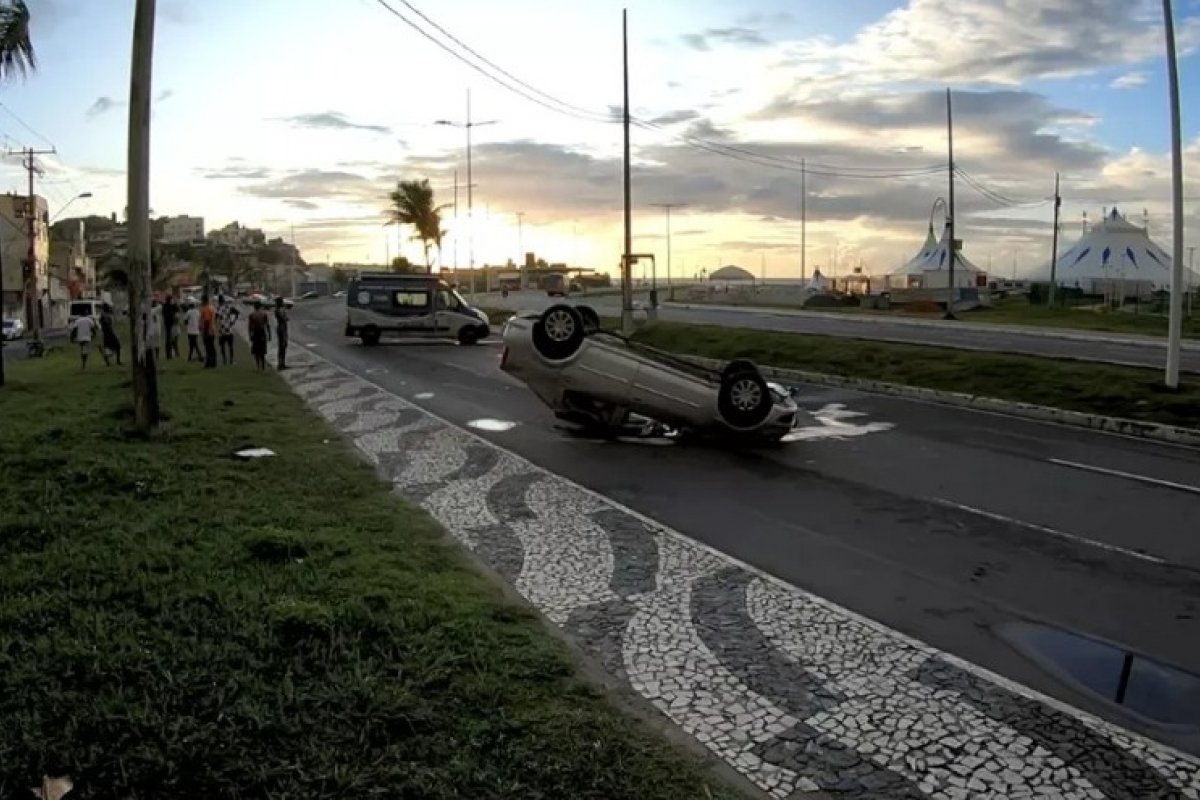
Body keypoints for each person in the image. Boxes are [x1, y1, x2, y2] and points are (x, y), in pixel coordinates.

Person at [247, 300, 271, 372]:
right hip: (262, 332)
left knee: (256, 351)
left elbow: (250, 327)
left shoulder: (252, 315)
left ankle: (258, 366)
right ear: (260, 307)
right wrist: (269, 334)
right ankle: (263, 367)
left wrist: (250, 335)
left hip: (255, 333)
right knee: (262, 351)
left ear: (254, 307)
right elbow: (267, 325)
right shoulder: (264, 314)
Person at [216, 295, 240, 365]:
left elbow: (215, 318)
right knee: (230, 346)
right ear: (224, 301)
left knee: (222, 346)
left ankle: (224, 360)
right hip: (229, 328)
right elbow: (237, 313)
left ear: (219, 301)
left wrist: (217, 326)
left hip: (222, 330)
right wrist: (233, 321)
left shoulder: (218, 308)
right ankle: (231, 361)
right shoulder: (229, 307)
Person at [199, 295, 218, 369]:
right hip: (212, 329)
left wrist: (205, 330)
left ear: (204, 301)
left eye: (201, 300)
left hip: (208, 330)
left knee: (208, 347)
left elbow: (207, 321)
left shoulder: (206, 309)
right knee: (211, 347)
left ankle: (208, 363)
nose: (201, 302)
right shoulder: (212, 308)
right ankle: (213, 363)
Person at [273, 296, 289, 370]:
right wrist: (285, 317)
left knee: (282, 346)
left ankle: (282, 363)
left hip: (281, 327)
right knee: (282, 345)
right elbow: (283, 318)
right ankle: (280, 363)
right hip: (282, 327)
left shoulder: (277, 309)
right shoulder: (279, 310)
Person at [162, 295, 179, 360]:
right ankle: (170, 355)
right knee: (171, 339)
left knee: (168, 339)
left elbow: (163, 314)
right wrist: (175, 302)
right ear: (170, 300)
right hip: (171, 324)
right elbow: (177, 309)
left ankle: (168, 355)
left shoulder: (164, 306)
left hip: (166, 324)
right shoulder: (171, 306)